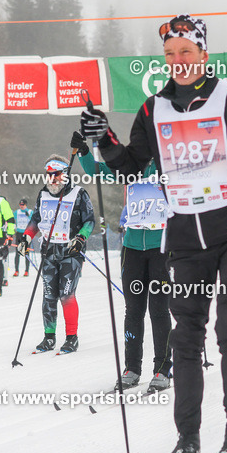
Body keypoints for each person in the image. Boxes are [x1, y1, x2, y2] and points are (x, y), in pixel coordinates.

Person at [79, 14, 227, 453]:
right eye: (171, 55)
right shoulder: (154, 109)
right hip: (185, 234)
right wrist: (104, 140)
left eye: (186, 53)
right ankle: (187, 439)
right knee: (185, 335)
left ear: (204, 55)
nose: (178, 61)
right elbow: (132, 165)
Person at [76, 131, 173, 390]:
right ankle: (132, 368)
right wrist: (83, 151)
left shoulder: (168, 166)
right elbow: (97, 171)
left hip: (161, 247)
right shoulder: (128, 169)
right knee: (133, 311)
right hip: (132, 248)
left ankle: (163, 369)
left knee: (159, 310)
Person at [16, 155, 95, 353]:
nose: (52, 179)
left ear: (65, 175)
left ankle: (71, 337)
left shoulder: (79, 193)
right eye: (49, 175)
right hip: (49, 251)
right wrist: (26, 237)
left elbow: (90, 220)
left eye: (56, 174)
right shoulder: (43, 194)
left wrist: (81, 237)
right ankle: (49, 337)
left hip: (71, 251)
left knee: (66, 294)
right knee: (49, 295)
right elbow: (36, 219)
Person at [12, 198, 33, 277]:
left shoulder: (30, 212)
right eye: (20, 205)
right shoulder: (17, 212)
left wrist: (29, 216)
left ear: (26, 205)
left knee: (26, 252)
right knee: (18, 252)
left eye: (23, 205)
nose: (21, 206)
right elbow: (12, 220)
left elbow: (33, 221)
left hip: (27, 234)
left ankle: (26, 271)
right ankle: (16, 271)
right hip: (19, 233)